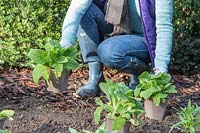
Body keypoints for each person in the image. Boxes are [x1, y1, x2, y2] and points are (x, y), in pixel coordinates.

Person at [60, 0, 173, 97]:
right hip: (117, 30)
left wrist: (160, 70)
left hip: (145, 39)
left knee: (108, 51)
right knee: (87, 12)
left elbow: (164, 26)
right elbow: (77, 7)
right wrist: (65, 46)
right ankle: (95, 78)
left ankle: (141, 72)